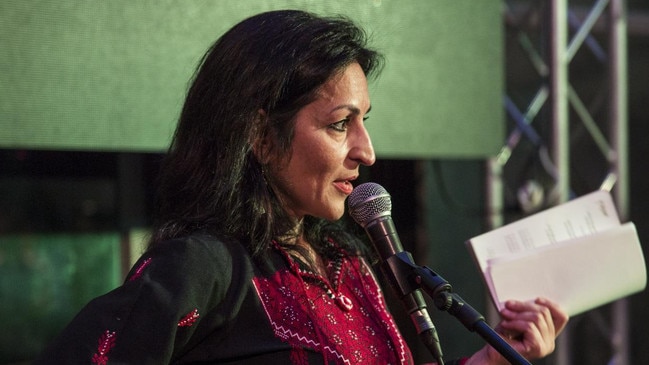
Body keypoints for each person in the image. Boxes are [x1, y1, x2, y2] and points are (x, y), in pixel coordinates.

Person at [35, 9, 568, 365]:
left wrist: (491, 357)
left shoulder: (352, 260)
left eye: (364, 122)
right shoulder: (204, 266)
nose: (367, 151)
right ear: (261, 136)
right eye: (341, 124)